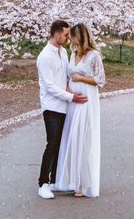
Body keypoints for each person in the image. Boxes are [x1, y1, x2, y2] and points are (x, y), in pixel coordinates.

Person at [36, 20, 88, 200]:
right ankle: (43, 183)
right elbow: (50, 86)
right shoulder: (44, 57)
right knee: (52, 144)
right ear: (57, 34)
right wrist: (71, 96)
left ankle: (55, 180)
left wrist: (72, 91)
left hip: (65, 105)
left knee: (61, 144)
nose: (68, 38)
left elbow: (64, 79)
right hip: (51, 106)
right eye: (66, 35)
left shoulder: (63, 52)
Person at [55, 23, 106, 198]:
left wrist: (81, 78)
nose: (70, 39)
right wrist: (69, 89)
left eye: (73, 36)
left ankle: (85, 184)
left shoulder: (94, 55)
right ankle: (72, 180)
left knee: (84, 139)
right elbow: (69, 76)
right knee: (72, 137)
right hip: (73, 101)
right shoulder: (73, 53)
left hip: (86, 100)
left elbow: (100, 80)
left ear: (81, 36)